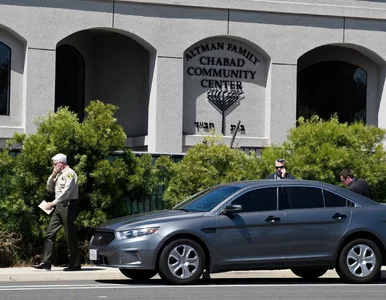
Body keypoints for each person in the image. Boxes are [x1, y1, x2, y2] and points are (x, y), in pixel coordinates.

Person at [33, 153, 81, 271]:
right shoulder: (58, 175)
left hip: (68, 205)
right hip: (59, 206)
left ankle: (74, 264)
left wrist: (53, 203)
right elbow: (49, 188)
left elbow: (67, 192)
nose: (54, 166)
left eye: (55, 164)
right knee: (50, 233)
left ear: (61, 163)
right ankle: (46, 261)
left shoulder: (70, 174)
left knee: (69, 235)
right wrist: (53, 174)